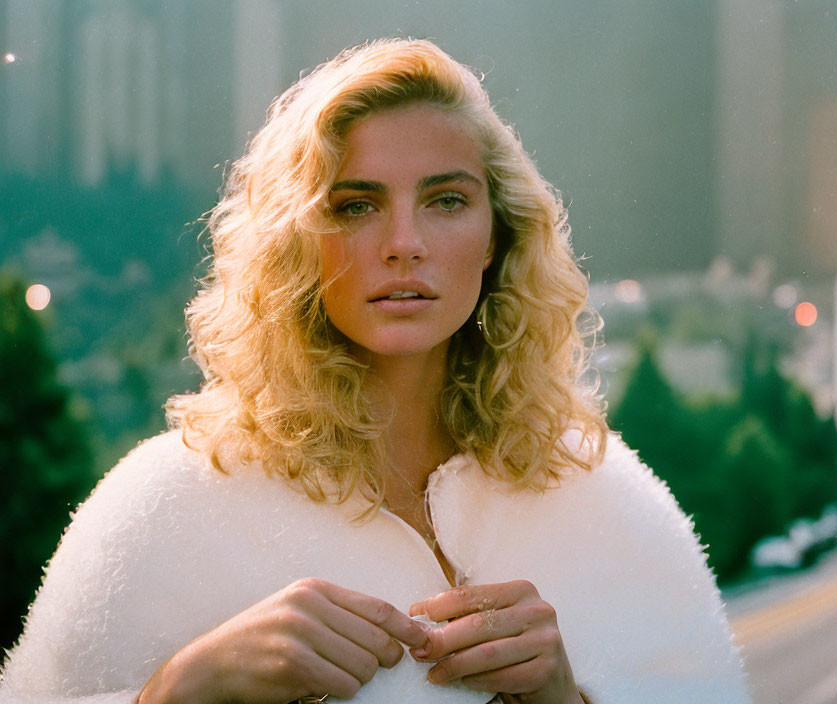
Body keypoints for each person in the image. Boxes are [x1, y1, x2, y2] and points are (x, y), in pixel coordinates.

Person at [0, 39, 749, 703]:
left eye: (447, 200)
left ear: (497, 236)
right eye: (356, 206)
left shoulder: (609, 504)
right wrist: (176, 690)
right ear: (298, 241)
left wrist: (565, 701)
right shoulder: (164, 504)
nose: (404, 243)